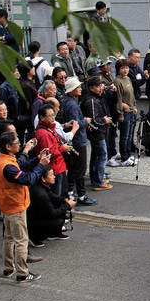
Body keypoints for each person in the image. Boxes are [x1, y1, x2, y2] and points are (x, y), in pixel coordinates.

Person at [0, 130, 50, 282]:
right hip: (15, 205)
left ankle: (8, 268)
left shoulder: (4, 159)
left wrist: (38, 159)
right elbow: (28, 179)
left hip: (7, 204)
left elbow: (23, 165)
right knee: (21, 240)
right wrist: (40, 166)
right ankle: (23, 273)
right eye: (16, 143)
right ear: (8, 146)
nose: (19, 145)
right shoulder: (8, 166)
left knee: (9, 238)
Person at [61, 78, 96, 206]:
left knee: (74, 168)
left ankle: (73, 192)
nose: (80, 89)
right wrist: (85, 121)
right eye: (77, 87)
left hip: (75, 139)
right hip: (78, 140)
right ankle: (78, 194)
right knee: (79, 169)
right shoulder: (72, 104)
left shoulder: (68, 102)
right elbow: (75, 123)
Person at [27, 164, 75, 245]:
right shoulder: (41, 194)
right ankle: (35, 237)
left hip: (35, 217)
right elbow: (52, 213)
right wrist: (67, 205)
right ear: (43, 179)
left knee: (60, 206)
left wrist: (64, 200)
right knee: (58, 220)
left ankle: (53, 233)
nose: (54, 177)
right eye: (51, 175)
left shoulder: (40, 187)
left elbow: (52, 196)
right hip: (33, 222)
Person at [82, 76, 113, 192]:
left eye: (101, 85)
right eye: (98, 86)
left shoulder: (97, 98)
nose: (100, 88)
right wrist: (104, 120)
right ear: (91, 88)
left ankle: (96, 177)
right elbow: (93, 119)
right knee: (101, 155)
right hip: (97, 132)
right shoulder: (91, 101)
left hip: (99, 131)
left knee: (96, 155)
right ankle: (98, 181)